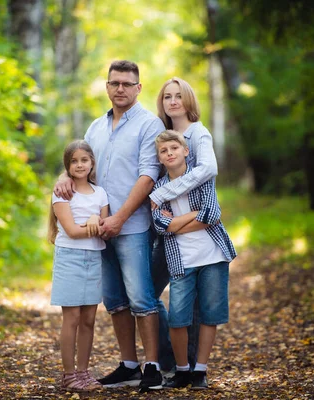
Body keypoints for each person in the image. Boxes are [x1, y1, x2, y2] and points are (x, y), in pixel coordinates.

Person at [53, 60, 166, 391]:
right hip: (97, 231)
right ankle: (128, 364)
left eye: (127, 84)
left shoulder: (149, 124)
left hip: (131, 227)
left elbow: (149, 175)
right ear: (107, 86)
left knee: (142, 299)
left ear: (138, 88)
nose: (120, 89)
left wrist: (120, 218)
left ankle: (153, 367)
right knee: (115, 300)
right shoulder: (95, 128)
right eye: (115, 83)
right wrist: (63, 175)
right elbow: (80, 163)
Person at [151, 130, 237, 390]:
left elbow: (212, 215)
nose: (170, 154)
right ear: (160, 158)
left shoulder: (202, 177)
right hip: (180, 260)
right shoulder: (158, 188)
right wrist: (192, 216)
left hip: (213, 255)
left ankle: (200, 370)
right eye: (164, 152)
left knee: (210, 315)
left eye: (174, 149)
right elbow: (159, 226)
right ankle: (182, 370)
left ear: (185, 151)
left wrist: (174, 223)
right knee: (178, 317)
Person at [150, 77, 219, 369]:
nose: (173, 101)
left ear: (188, 99)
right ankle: (169, 358)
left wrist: (164, 193)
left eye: (179, 95)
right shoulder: (160, 133)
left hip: (191, 231)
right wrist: (69, 175)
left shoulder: (198, 134)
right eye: (167, 96)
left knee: (192, 305)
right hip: (160, 229)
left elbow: (209, 169)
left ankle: (191, 366)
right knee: (145, 295)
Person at [48, 140, 110, 391]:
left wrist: (97, 219)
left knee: (89, 319)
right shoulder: (62, 192)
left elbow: (105, 230)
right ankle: (68, 375)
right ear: (67, 166)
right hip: (70, 259)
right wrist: (94, 225)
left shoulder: (101, 193)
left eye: (84, 160)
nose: (79, 164)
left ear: (92, 163)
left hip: (94, 259)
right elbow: (72, 231)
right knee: (71, 318)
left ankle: (83, 374)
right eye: (74, 161)